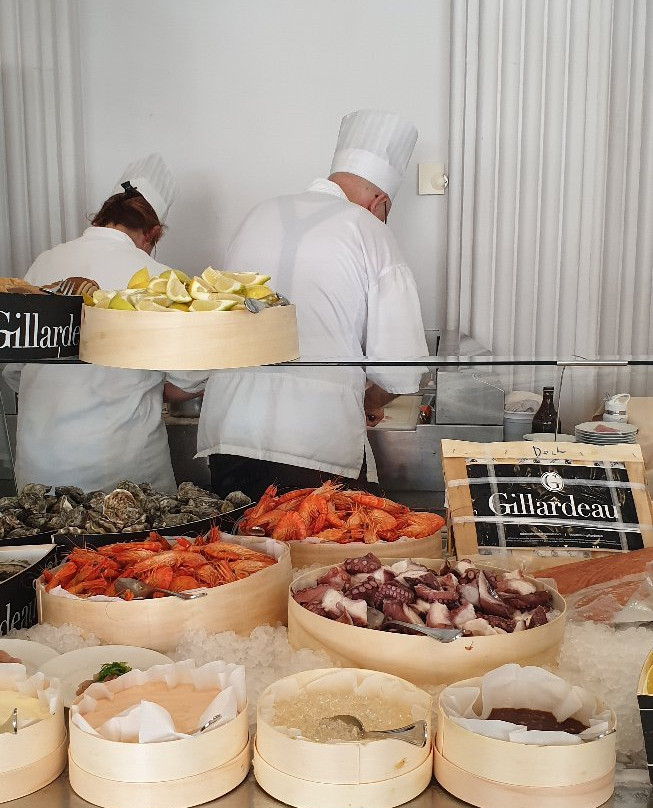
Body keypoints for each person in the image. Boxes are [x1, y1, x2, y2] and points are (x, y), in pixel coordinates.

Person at [196, 109, 428, 499]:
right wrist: (369, 400)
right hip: (316, 446)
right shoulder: (367, 229)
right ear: (379, 202)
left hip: (231, 434)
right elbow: (401, 371)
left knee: (244, 537)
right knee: (331, 538)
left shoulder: (257, 215)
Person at [3, 154, 195, 493]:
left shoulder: (44, 262)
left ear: (102, 217)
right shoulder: (157, 277)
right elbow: (184, 383)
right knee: (134, 529)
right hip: (120, 468)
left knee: (43, 529)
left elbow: (15, 371)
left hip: (40, 465)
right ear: (152, 233)